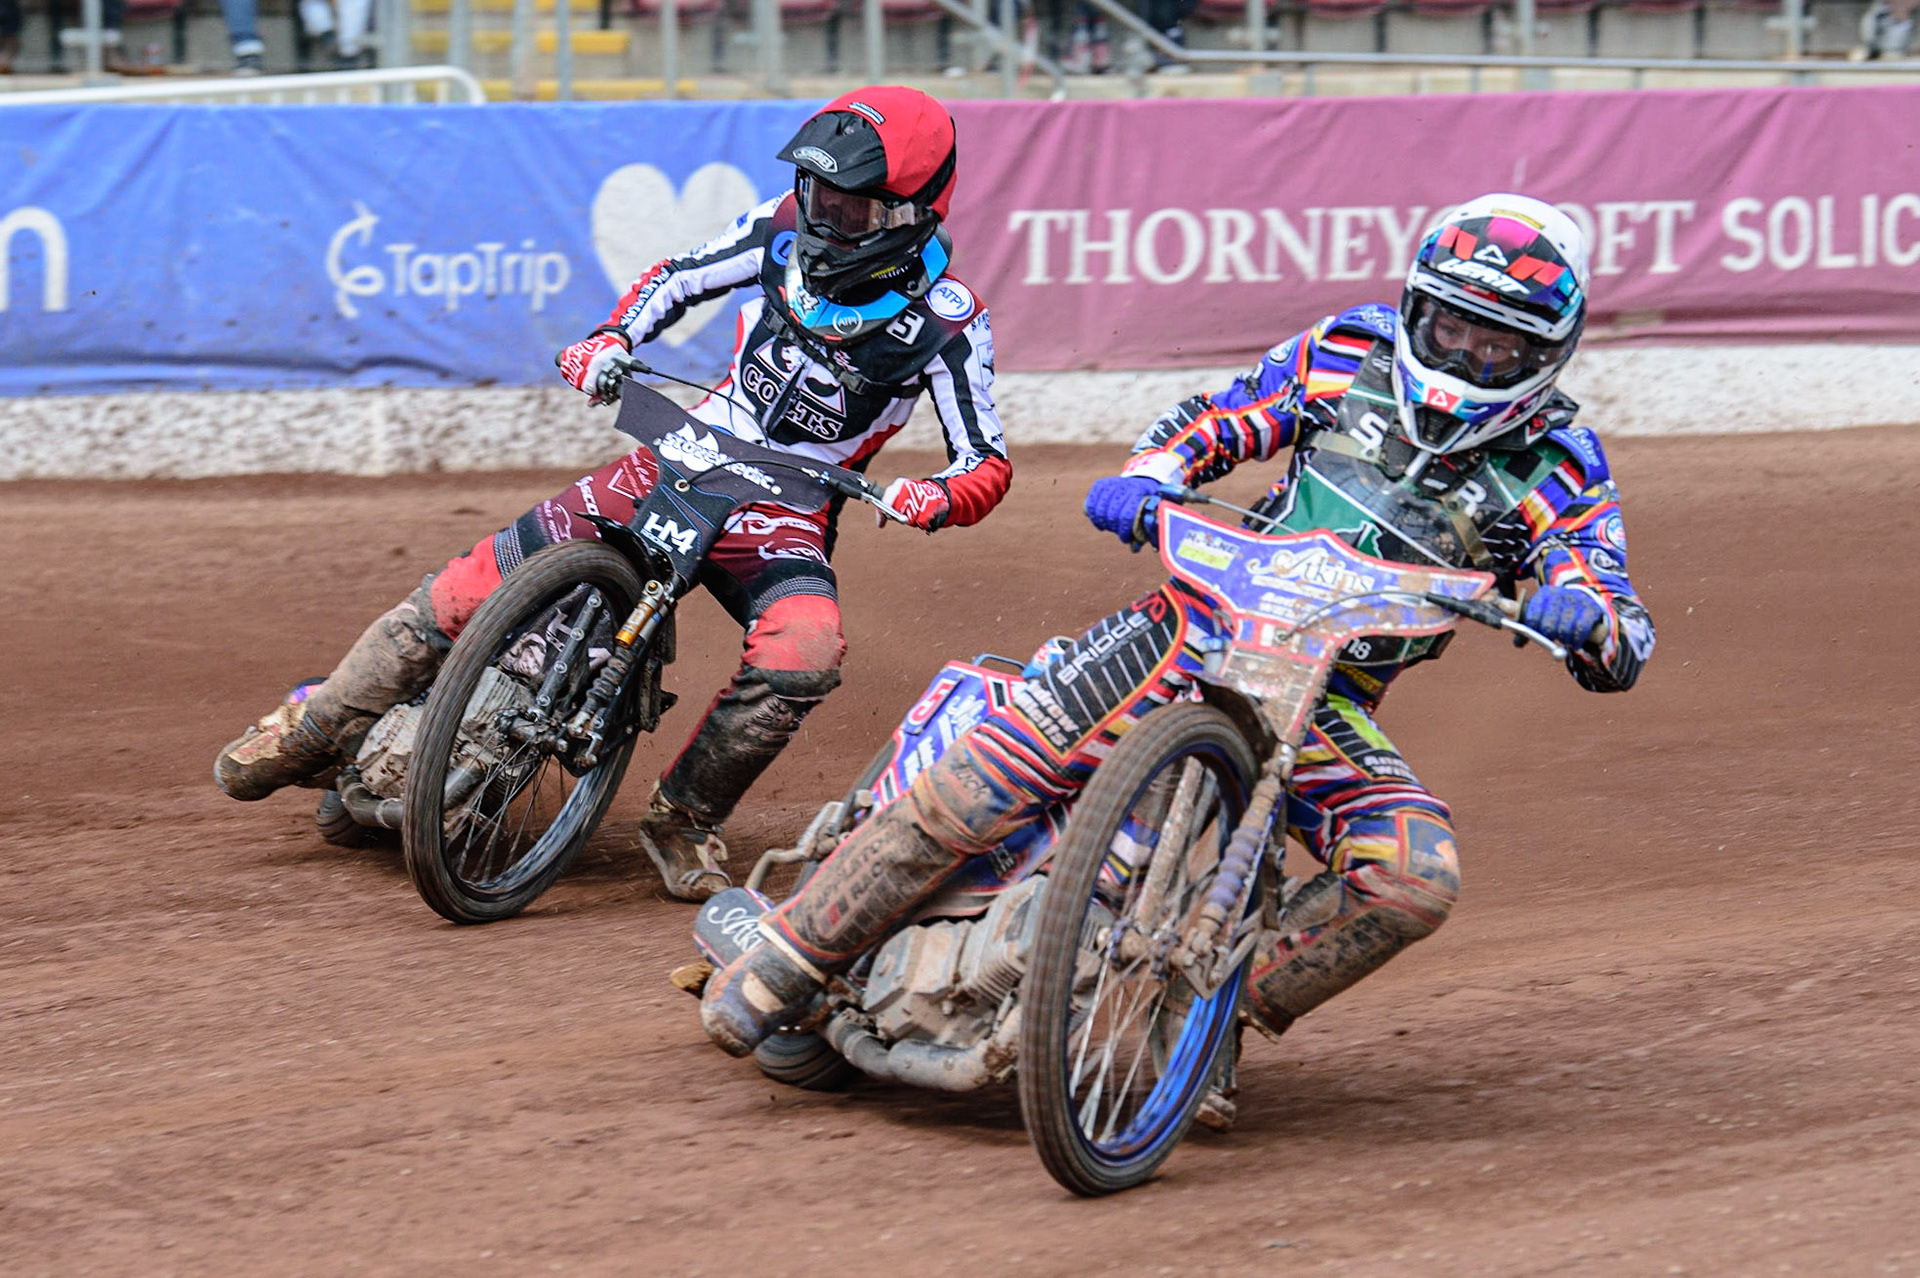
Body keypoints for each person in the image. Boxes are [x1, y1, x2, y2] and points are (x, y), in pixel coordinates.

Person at [699, 193, 1657, 1124]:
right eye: (1454, 330)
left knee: (1412, 875)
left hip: (1323, 700)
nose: (1471, 355)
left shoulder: (1558, 458)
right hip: (1191, 627)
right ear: (1418, 310)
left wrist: (1588, 616)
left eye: (1500, 344)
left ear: (1546, 353)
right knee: (990, 777)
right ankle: (786, 956)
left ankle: (1202, 1021)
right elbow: (1223, 416)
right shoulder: (1351, 351)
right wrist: (1151, 477)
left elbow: (1616, 609)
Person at [213, 86, 1012, 903]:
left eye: (850, 210)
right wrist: (611, 337)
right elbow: (675, 277)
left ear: (907, 214)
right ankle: (318, 726)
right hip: (685, 448)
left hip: (786, 508)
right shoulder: (778, 229)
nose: (822, 219)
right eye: (818, 196)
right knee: (471, 583)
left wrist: (935, 497)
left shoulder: (950, 323)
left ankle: (683, 819)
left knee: (803, 654)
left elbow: (985, 461)